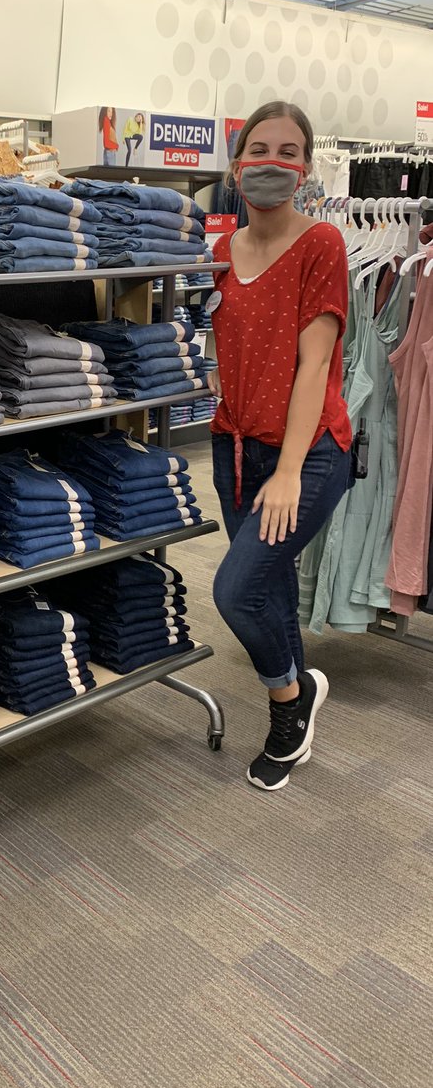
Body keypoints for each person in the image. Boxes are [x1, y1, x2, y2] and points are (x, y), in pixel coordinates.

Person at [208, 101, 353, 792]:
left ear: (306, 166)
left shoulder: (321, 244)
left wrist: (292, 468)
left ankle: (288, 704)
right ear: (236, 165)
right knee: (269, 587)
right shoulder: (218, 253)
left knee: (236, 591)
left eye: (288, 151)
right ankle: (301, 692)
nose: (272, 162)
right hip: (232, 444)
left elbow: (316, 365)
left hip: (308, 451)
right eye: (258, 149)